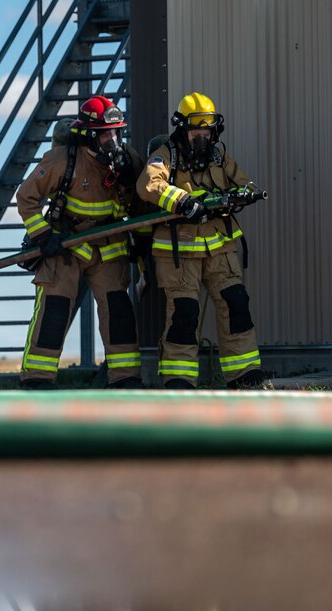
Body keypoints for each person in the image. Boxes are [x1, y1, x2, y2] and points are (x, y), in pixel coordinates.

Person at [17, 95, 147, 389]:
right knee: (55, 309)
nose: (113, 140)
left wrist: (141, 241)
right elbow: (26, 197)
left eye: (117, 132)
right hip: (66, 245)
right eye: (105, 135)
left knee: (119, 312)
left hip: (109, 246)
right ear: (89, 135)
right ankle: (37, 379)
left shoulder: (129, 160)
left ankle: (125, 379)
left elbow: (142, 206)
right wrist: (43, 235)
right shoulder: (62, 160)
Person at [137, 92, 264, 389]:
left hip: (220, 248)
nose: (202, 136)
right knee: (184, 314)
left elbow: (244, 181)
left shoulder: (219, 156)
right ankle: (179, 380)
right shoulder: (167, 155)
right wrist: (181, 201)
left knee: (236, 304)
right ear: (183, 129)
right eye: (197, 130)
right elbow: (148, 185)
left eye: (207, 130)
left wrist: (243, 194)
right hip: (179, 253)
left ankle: (244, 375)